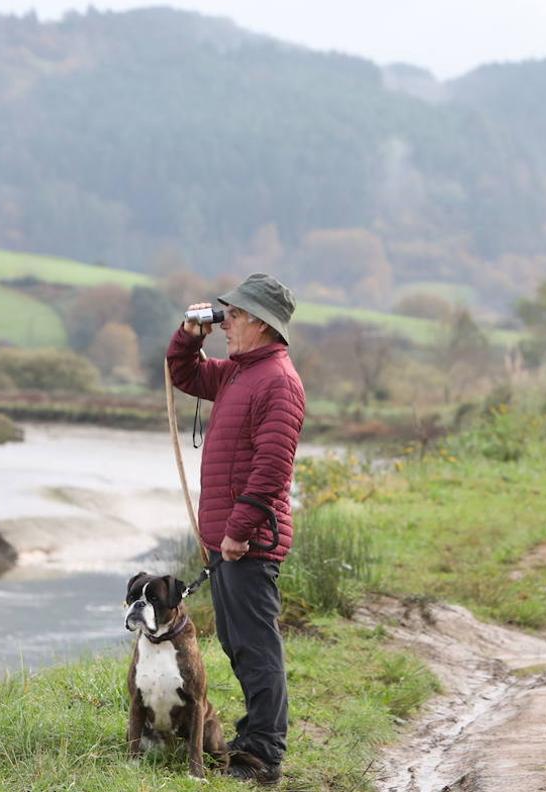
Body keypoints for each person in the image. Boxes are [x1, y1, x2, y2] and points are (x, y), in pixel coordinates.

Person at [166, 272, 305, 786]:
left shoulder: (278, 383)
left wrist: (240, 530)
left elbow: (272, 469)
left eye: (238, 315)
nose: (228, 323)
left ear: (265, 326)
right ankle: (254, 745)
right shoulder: (238, 374)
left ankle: (263, 754)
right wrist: (188, 335)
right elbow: (181, 372)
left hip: (248, 543)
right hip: (228, 540)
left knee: (255, 647)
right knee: (239, 642)